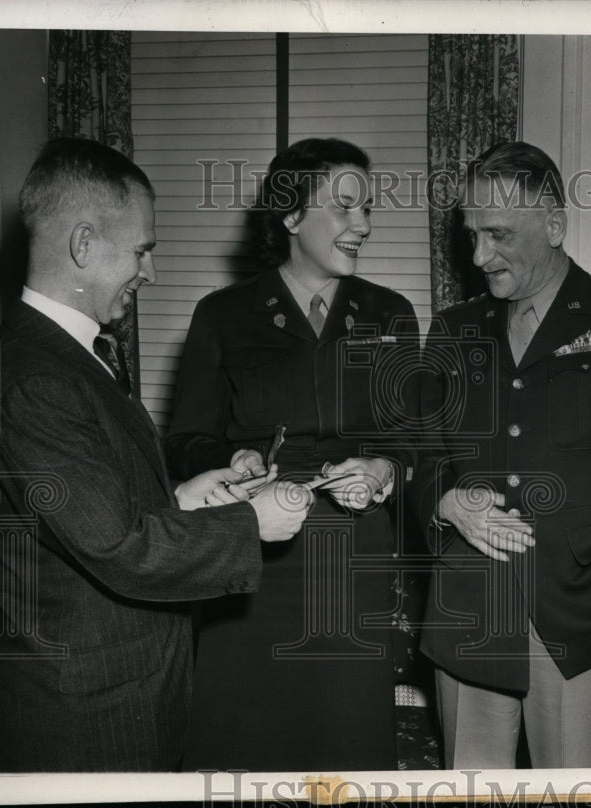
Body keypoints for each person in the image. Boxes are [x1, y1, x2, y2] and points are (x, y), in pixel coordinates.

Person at [0, 137, 311, 772]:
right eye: (142, 250)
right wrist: (250, 523)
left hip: (120, 694)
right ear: (84, 244)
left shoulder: (66, 353)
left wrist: (184, 497)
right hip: (84, 723)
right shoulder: (35, 380)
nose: (149, 271)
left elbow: (91, 509)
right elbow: (118, 548)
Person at [413, 141, 591, 768]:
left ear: (553, 225)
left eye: (499, 234)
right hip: (470, 609)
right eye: (472, 235)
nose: (479, 256)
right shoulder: (455, 329)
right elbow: (422, 455)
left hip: (579, 617)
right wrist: (445, 500)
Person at [166, 137, 420, 771]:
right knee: (241, 741)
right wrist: (235, 460)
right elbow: (185, 438)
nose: (363, 225)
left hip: (352, 558)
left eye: (367, 209)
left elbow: (413, 437)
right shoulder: (222, 315)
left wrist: (385, 469)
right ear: (291, 214)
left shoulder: (391, 314)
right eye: (344, 207)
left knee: (346, 740)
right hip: (251, 556)